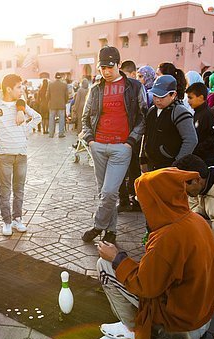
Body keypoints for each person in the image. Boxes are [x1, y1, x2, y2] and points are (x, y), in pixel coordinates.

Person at [96, 167, 214, 339]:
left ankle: (132, 328)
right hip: (200, 312)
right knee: (129, 265)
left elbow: (145, 286)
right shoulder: (196, 219)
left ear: (155, 200)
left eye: (142, 199)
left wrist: (117, 258)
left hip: (179, 318)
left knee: (104, 265)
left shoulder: (168, 236)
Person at [80, 46, 147, 243]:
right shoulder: (95, 89)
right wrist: (90, 140)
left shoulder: (134, 87)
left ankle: (97, 225)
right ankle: (111, 230)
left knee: (110, 192)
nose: (106, 71)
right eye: (103, 68)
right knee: (105, 194)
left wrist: (130, 142)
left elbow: (143, 117)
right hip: (98, 146)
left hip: (122, 148)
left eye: (110, 67)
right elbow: (85, 117)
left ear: (118, 65)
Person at [0, 74, 41, 236]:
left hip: (21, 154)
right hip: (4, 155)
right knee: (5, 191)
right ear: (8, 89)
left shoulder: (22, 104)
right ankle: (6, 221)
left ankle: (17, 218)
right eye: (18, 87)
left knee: (19, 189)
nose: (21, 90)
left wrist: (25, 130)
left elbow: (37, 117)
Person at [140, 75, 197, 172]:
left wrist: (177, 164)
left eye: (162, 96)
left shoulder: (179, 111)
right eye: (155, 95)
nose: (157, 100)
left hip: (168, 165)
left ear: (173, 95)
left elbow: (191, 140)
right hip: (151, 164)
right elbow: (146, 135)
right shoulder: (152, 111)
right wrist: (142, 158)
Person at [185, 82, 214, 166]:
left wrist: (198, 148)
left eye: (190, 98)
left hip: (206, 158)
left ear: (201, 97)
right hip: (198, 157)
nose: (188, 101)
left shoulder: (208, 114)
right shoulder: (197, 113)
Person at [47, 73, 69, 138]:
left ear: (55, 77)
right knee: (61, 119)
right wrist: (65, 101)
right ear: (60, 77)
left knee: (51, 119)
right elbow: (66, 96)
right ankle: (61, 133)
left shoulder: (50, 85)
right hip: (61, 104)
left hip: (52, 104)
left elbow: (47, 95)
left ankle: (51, 134)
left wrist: (49, 101)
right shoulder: (64, 85)